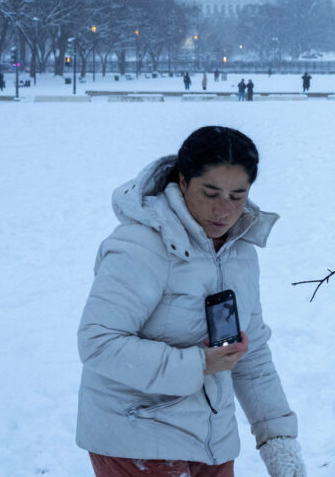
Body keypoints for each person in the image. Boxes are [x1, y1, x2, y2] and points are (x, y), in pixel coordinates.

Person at [76, 126, 307, 477]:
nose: (224, 210)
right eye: (210, 192)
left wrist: (278, 441)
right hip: (136, 436)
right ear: (183, 182)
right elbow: (98, 343)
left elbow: (252, 352)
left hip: (211, 440)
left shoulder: (239, 250)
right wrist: (198, 364)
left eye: (237, 195)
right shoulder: (140, 246)